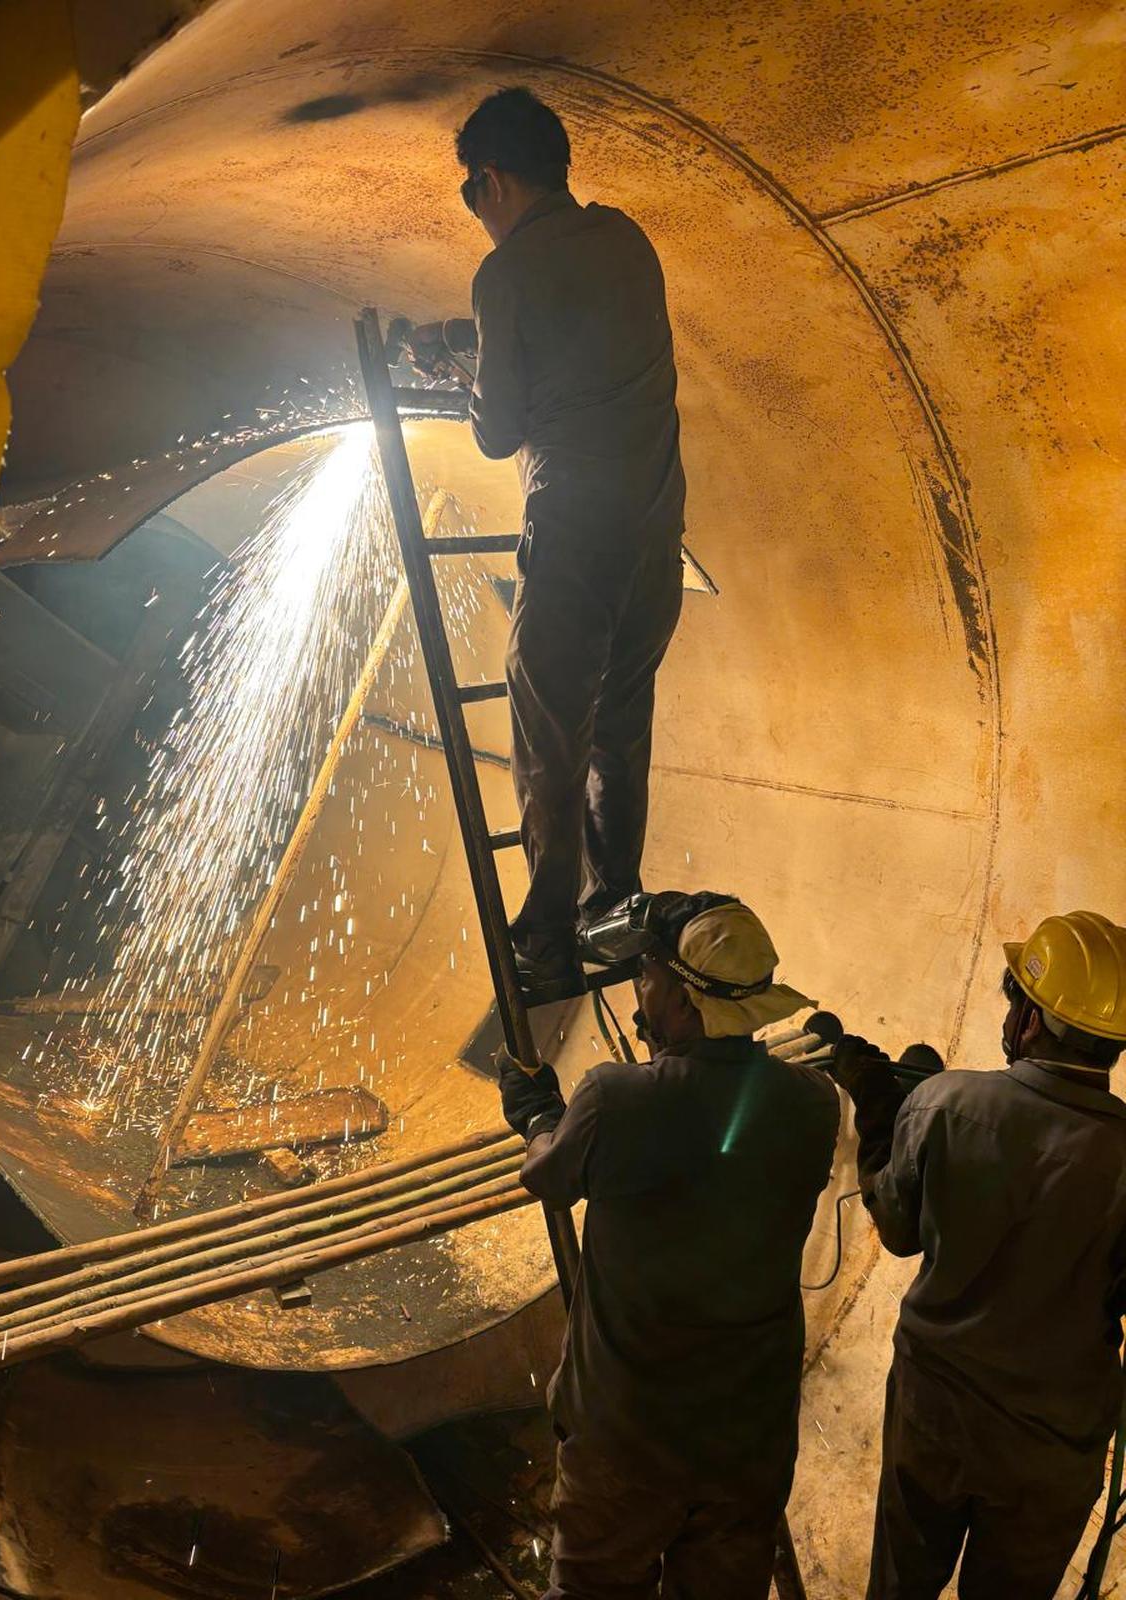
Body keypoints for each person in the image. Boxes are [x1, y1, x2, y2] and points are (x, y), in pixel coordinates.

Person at [498, 891, 839, 1598]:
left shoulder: (617, 1099)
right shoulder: (811, 1101)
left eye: (649, 975)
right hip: (748, 1439)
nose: (638, 986)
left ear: (686, 1004)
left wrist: (537, 1114)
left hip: (629, 1438)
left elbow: (552, 1177)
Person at [451, 86, 686, 1003]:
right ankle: (613, 904)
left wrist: (472, 365)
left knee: (551, 734)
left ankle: (546, 936)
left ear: (494, 181)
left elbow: (496, 433)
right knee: (621, 731)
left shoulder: (502, 277)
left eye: (475, 193)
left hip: (576, 536)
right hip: (656, 531)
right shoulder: (628, 238)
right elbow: (590, 353)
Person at [831, 910, 1126, 1600]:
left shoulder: (944, 1103)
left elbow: (899, 1228)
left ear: (1030, 1020)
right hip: (1053, 1447)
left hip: (937, 1415)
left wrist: (881, 1114)